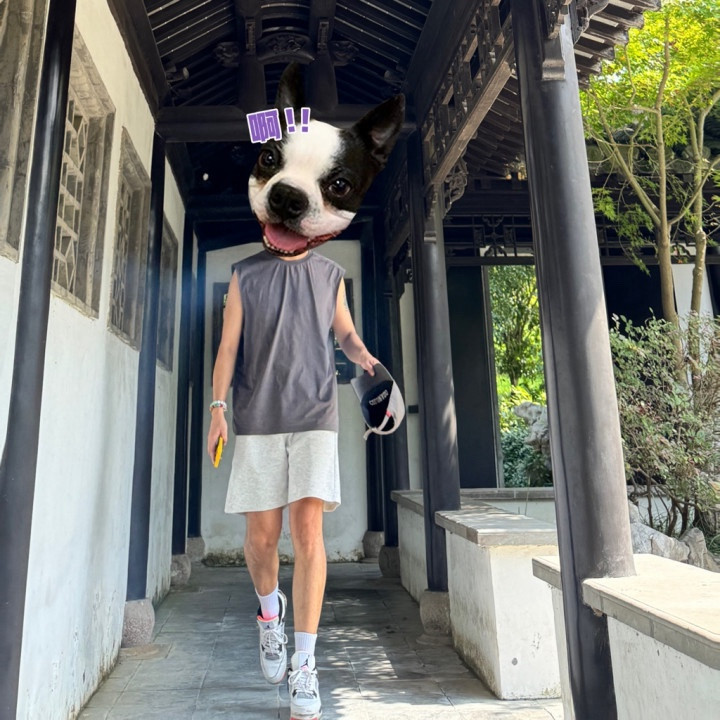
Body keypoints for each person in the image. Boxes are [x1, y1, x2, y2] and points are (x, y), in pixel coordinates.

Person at [207, 245, 377, 720]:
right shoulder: (245, 275)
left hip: (315, 417)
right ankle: (269, 615)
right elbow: (228, 347)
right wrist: (218, 409)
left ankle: (304, 664)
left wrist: (361, 354)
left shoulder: (330, 275)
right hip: (258, 417)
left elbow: (345, 333)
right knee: (262, 539)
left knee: (308, 534)